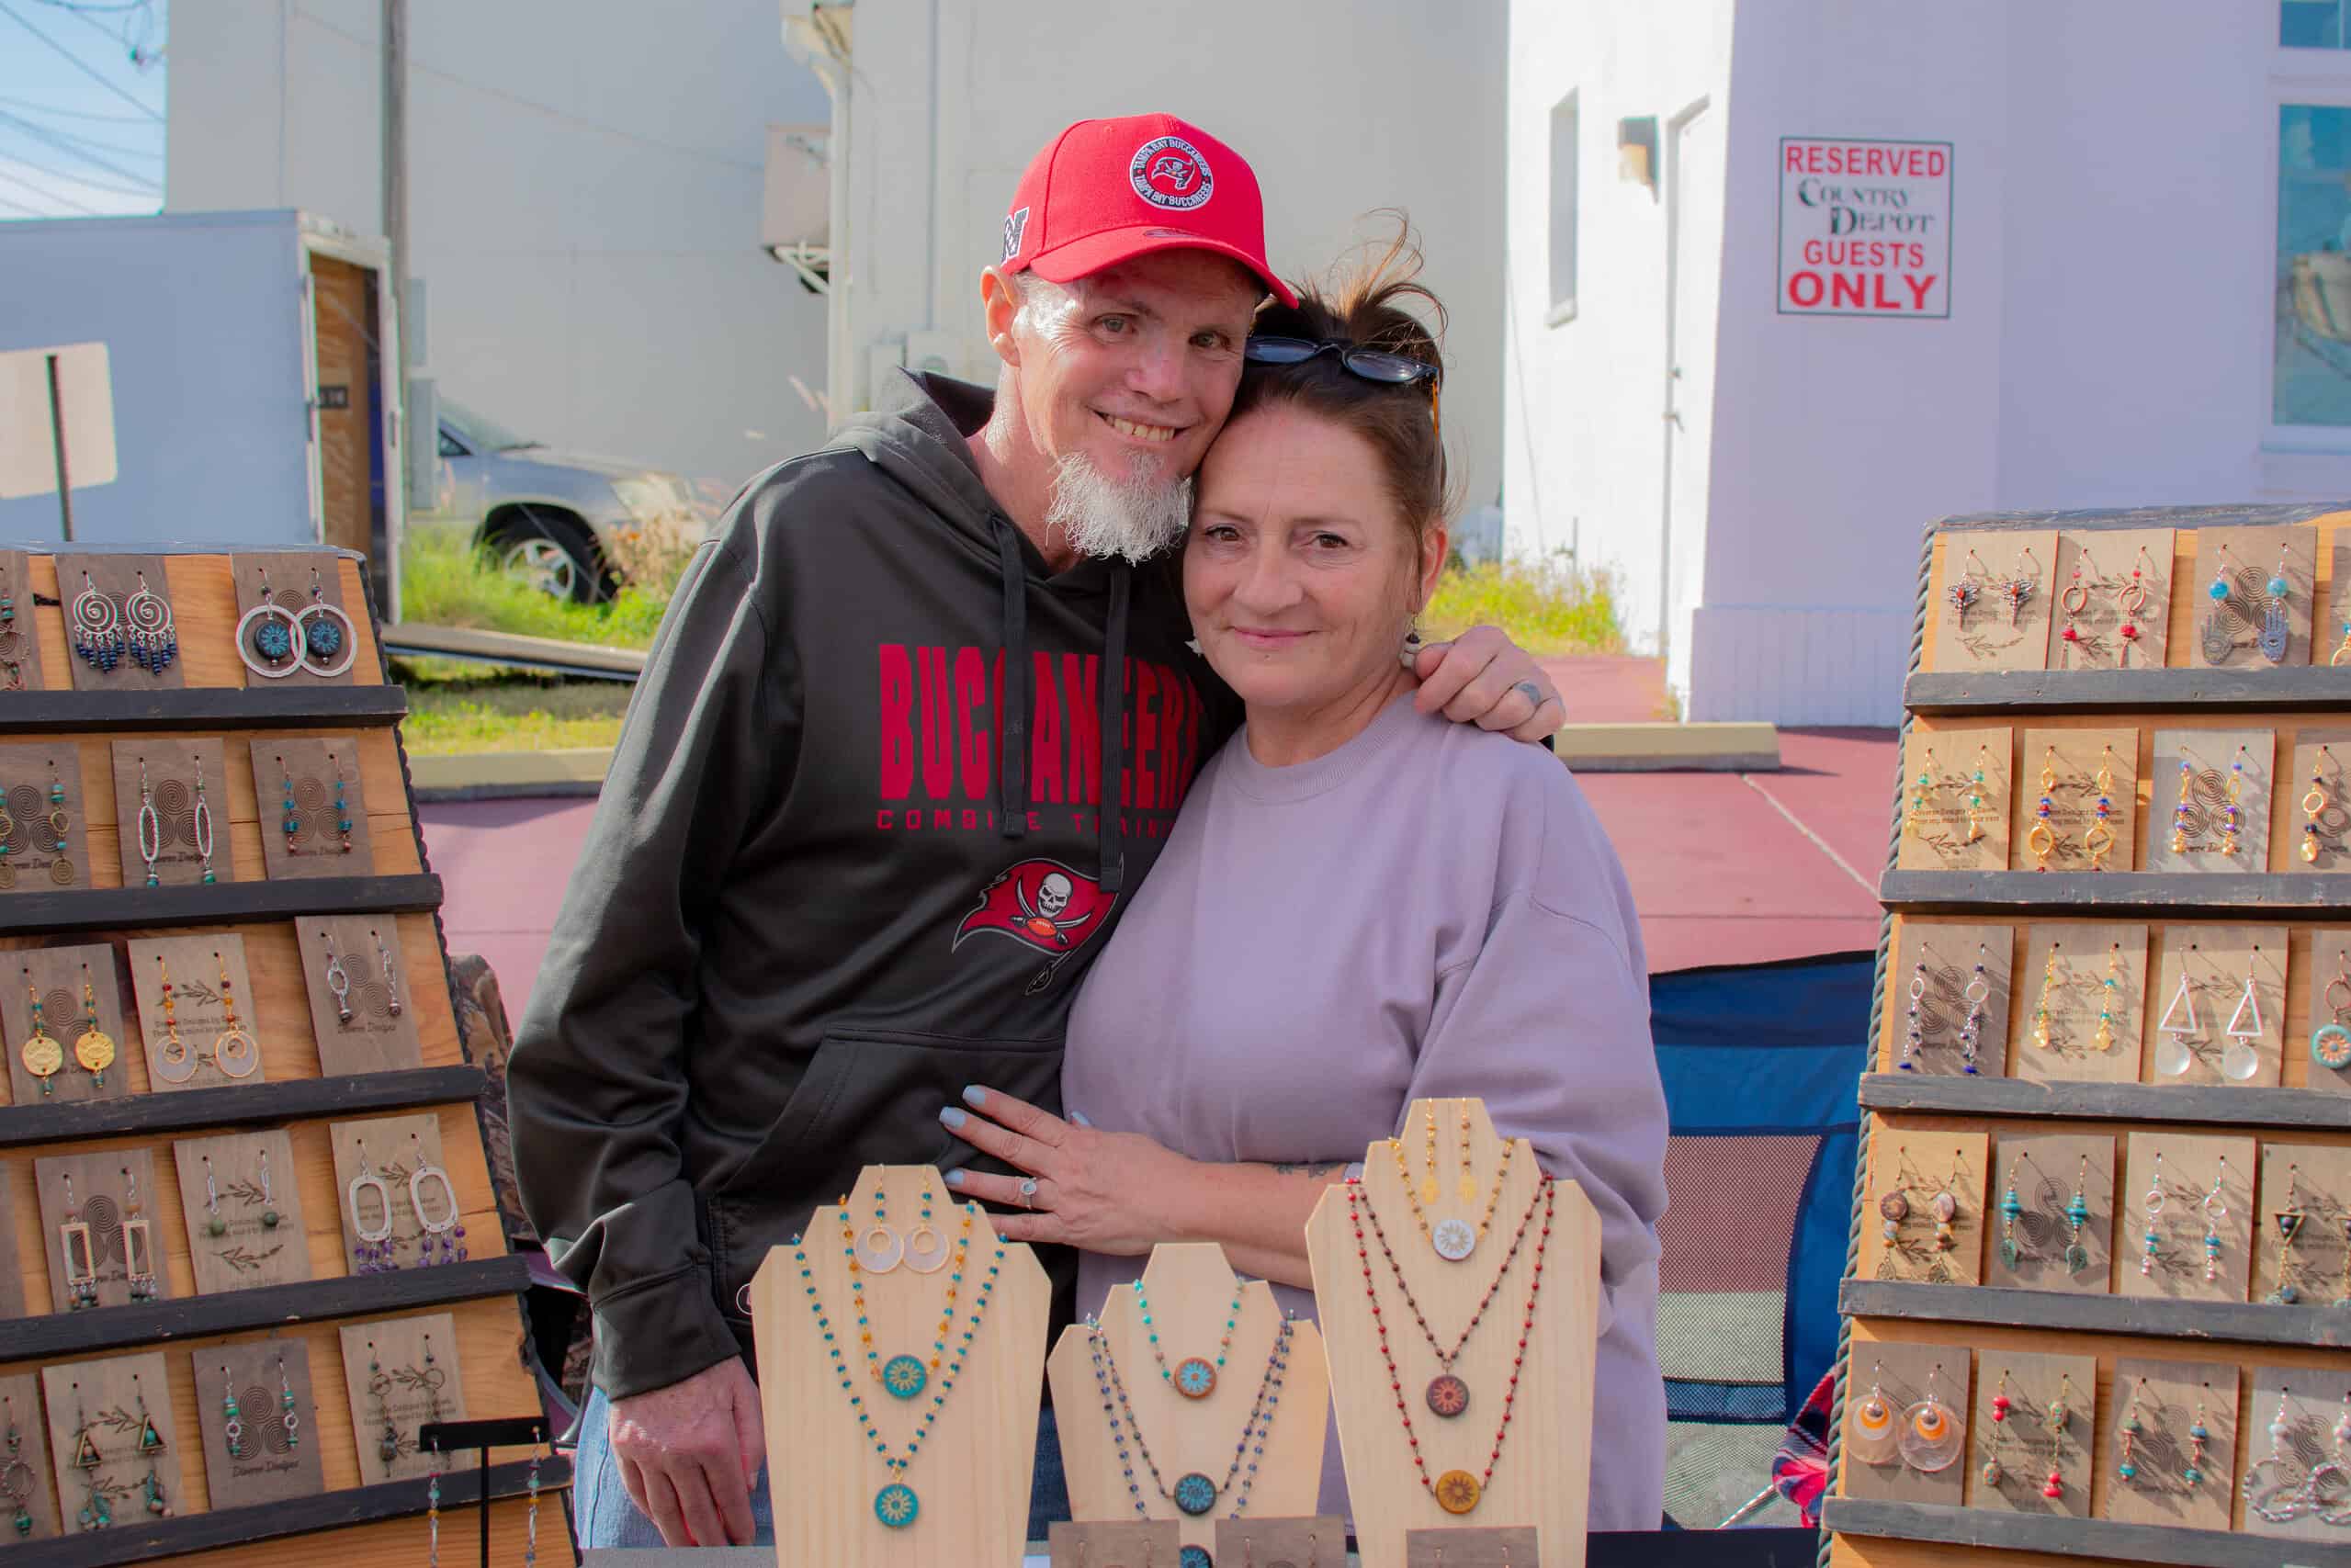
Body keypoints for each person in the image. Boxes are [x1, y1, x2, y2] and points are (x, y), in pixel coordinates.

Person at [506, 115, 1567, 1551]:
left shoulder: (1197, 591)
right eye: (1114, 320)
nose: (1164, 382)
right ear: (1008, 314)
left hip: (1077, 1374)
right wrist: (657, 1336)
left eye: (1209, 340)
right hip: (759, 1363)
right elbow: (605, 992)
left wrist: (1467, 669)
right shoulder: (812, 547)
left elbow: (1337, 632)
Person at [939, 234, 1670, 1530]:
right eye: (1226, 534)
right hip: (1181, 1501)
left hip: (1438, 1517)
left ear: (1424, 566)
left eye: (1325, 541)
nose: (1263, 588)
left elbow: (1547, 1238)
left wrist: (1165, 1199)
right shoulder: (1193, 765)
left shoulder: (1504, 808)